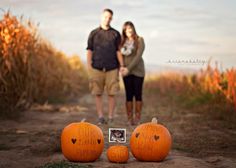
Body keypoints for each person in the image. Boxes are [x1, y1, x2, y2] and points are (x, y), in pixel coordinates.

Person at [86, 9, 125, 125]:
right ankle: (101, 117)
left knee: (112, 93)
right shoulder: (94, 33)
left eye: (109, 17)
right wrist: (89, 66)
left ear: (111, 19)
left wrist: (122, 65)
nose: (107, 19)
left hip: (112, 68)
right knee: (97, 93)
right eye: (105, 17)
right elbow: (89, 50)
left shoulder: (115, 34)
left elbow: (118, 51)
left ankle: (111, 117)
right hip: (96, 68)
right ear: (101, 17)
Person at [120, 21, 145, 125]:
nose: (128, 30)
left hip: (138, 71)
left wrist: (128, 69)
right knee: (128, 95)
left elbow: (138, 56)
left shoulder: (140, 40)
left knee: (137, 94)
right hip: (126, 72)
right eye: (126, 29)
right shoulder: (122, 42)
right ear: (124, 31)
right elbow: (120, 55)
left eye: (130, 28)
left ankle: (137, 118)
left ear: (133, 28)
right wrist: (121, 67)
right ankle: (129, 119)